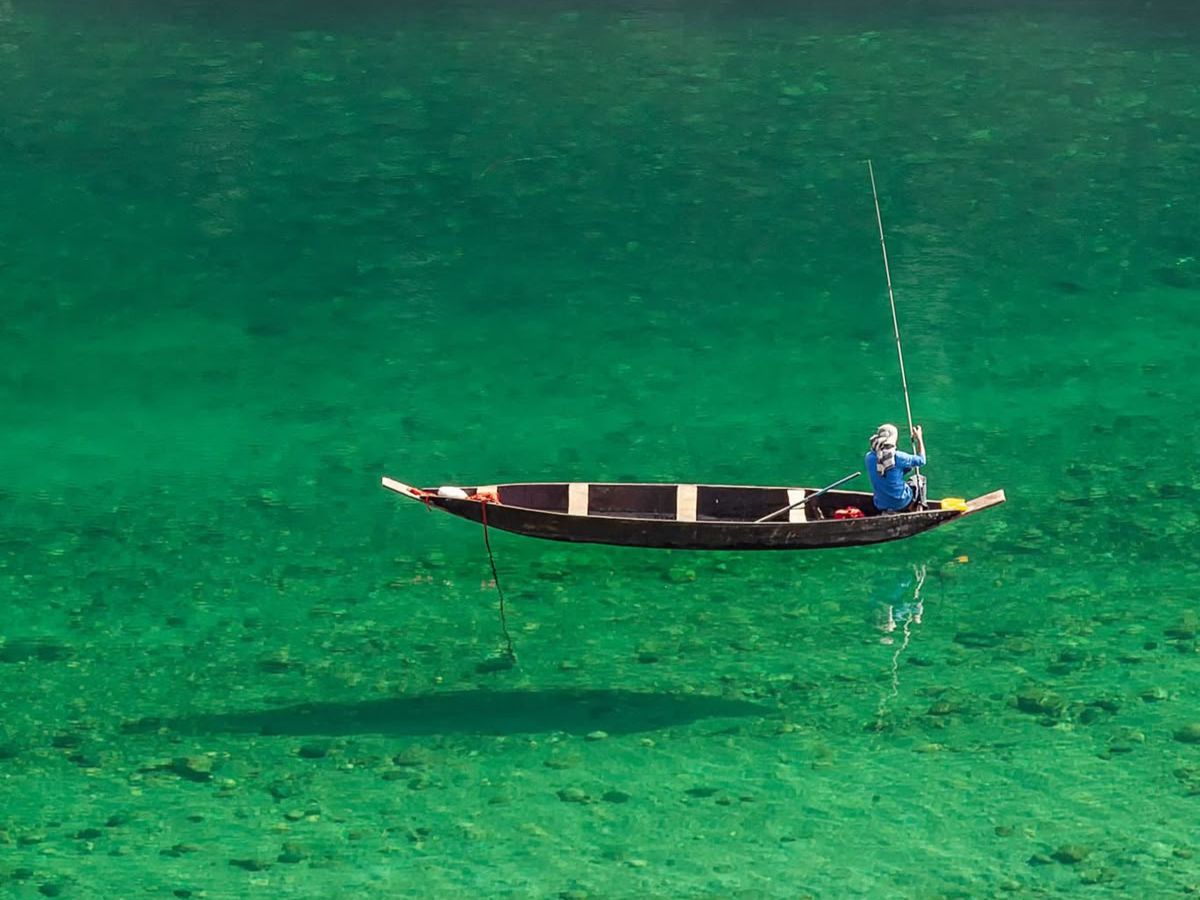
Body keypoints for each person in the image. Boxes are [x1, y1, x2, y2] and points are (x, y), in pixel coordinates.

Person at [866, 423, 926, 513]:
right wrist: (919, 438)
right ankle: (918, 510)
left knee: (906, 470)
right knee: (920, 479)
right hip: (900, 502)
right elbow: (922, 460)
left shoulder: (868, 457)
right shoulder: (898, 457)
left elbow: (885, 471)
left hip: (879, 503)